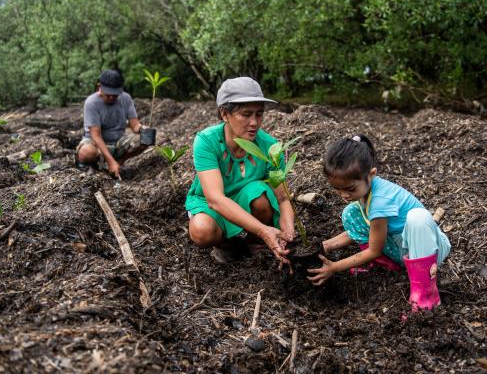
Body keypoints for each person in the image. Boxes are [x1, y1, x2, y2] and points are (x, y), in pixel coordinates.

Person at [307, 135, 451, 312]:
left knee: (418, 217)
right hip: (402, 245)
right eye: (337, 189)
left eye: (350, 189)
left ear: (372, 174)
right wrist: (325, 246)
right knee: (350, 214)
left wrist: (335, 267)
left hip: (427, 249)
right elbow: (372, 232)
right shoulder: (366, 192)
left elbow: (374, 249)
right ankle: (387, 266)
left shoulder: (380, 202)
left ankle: (425, 295)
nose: (343, 195)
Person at [185, 77, 295, 264]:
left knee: (260, 198)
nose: (254, 122)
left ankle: (255, 243)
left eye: (259, 114)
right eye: (246, 114)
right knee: (201, 230)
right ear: (224, 114)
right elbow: (215, 199)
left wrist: (289, 231)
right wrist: (263, 229)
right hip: (214, 204)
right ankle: (229, 244)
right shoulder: (207, 142)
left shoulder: (269, 146)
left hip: (248, 199)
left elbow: (282, 197)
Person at [76, 69, 148, 178]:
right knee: (86, 152)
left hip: (118, 141)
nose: (111, 97)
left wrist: (143, 129)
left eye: (115, 95)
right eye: (108, 94)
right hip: (95, 143)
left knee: (147, 137)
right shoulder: (91, 103)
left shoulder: (126, 98)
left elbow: (135, 125)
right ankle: (94, 167)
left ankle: (119, 162)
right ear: (99, 87)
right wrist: (110, 161)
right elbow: (96, 136)